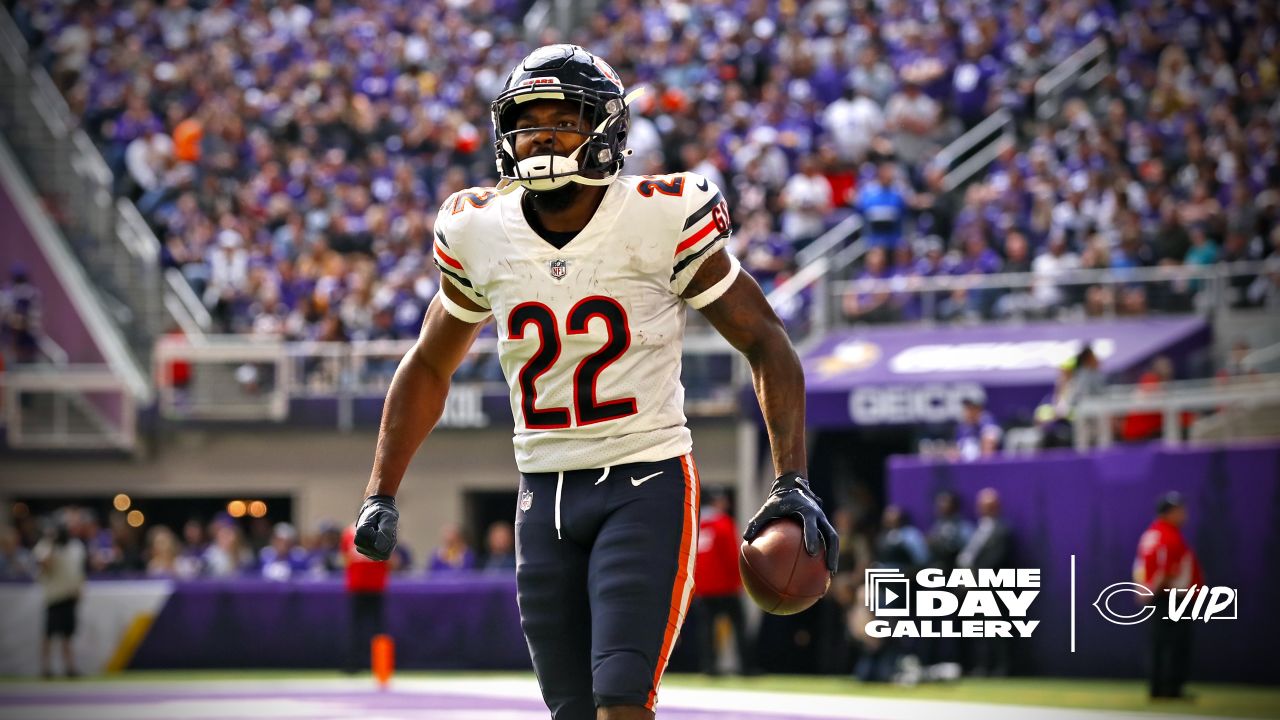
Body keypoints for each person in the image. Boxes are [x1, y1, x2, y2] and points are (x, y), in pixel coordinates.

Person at [352, 44, 838, 720]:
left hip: (644, 481)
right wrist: (381, 491)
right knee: (572, 712)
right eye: (530, 121)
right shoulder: (478, 229)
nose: (544, 135)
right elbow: (430, 363)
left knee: (621, 699)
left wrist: (792, 479)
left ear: (606, 129)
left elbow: (766, 341)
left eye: (565, 118)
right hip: (540, 494)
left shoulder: (659, 215)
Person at [1133, 492, 1202, 700]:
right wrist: (1152, 590)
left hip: (1158, 597)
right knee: (1175, 645)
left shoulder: (1150, 535)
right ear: (1169, 513)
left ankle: (1157, 688)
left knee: (1159, 644)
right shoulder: (1167, 536)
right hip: (1170, 597)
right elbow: (1166, 570)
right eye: (1180, 511)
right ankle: (1171, 690)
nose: (1184, 515)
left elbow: (1140, 567)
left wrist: (1143, 590)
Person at [690, 489, 753, 676]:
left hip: (703, 588)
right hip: (724, 586)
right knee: (739, 627)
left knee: (706, 630)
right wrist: (739, 582)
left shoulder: (696, 523)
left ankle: (709, 667)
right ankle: (746, 667)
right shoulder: (723, 523)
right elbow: (731, 556)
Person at [957, 488, 1013, 676]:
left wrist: (978, 577)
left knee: (997, 628)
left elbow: (998, 558)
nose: (982, 509)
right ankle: (982, 666)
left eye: (987, 505)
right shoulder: (978, 529)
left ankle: (1001, 668)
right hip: (973, 587)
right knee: (978, 629)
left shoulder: (1003, 530)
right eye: (980, 505)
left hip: (993, 586)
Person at [33, 518, 86, 678]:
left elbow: (78, 570)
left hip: (69, 595)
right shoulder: (45, 546)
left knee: (67, 636)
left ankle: (70, 668)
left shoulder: (76, 547)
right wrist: (51, 545)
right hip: (53, 597)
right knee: (48, 635)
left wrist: (79, 589)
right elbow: (44, 565)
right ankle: (46, 669)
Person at [341, 521, 389, 674]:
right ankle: (354, 663)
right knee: (357, 628)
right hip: (358, 585)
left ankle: (379, 664)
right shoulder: (350, 532)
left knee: (376, 628)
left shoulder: (384, 530)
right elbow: (345, 557)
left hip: (375, 586)